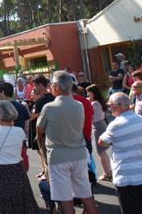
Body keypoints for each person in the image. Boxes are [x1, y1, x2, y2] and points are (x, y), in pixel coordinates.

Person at [37, 70, 98, 214]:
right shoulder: (79, 105)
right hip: (78, 154)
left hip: (59, 156)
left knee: (66, 200)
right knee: (86, 196)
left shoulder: (49, 107)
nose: (50, 87)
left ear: (56, 86)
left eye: (52, 84)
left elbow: (39, 129)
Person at [98, 92, 142, 214]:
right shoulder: (141, 120)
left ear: (118, 105)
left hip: (126, 176)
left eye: (110, 105)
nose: (109, 107)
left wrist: (113, 142)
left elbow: (101, 142)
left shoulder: (115, 124)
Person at [0, 101, 39, 213]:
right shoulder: (19, 131)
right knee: (20, 198)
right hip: (17, 168)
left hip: (0, 170)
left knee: (0, 200)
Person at [0, 82, 31, 171]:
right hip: (20, 142)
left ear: (3, 92)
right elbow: (26, 125)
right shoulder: (22, 106)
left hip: (5, 144)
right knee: (23, 169)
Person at [32, 75, 55, 180]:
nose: (34, 88)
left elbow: (37, 119)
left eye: (35, 85)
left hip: (44, 133)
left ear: (41, 85)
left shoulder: (39, 101)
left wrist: (38, 135)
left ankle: (48, 177)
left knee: (46, 157)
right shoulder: (54, 97)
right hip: (54, 131)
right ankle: (46, 173)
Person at [86, 84, 112, 181]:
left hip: (98, 127)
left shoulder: (94, 104)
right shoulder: (98, 102)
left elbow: (92, 117)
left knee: (101, 152)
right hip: (100, 125)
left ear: (93, 93)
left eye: (89, 93)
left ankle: (106, 173)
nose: (87, 95)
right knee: (103, 152)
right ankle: (108, 171)